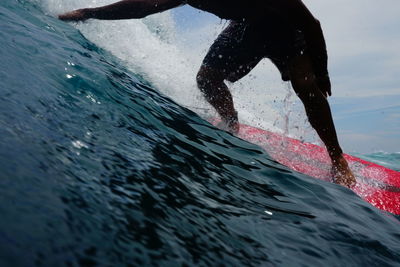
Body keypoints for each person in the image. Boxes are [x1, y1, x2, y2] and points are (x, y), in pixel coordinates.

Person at [59, 0, 356, 187]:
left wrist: (323, 71)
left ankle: (337, 159)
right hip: (248, 28)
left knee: (305, 86)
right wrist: (89, 13)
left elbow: (310, 23)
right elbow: (142, 7)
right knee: (207, 79)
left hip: (288, 30)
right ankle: (231, 124)